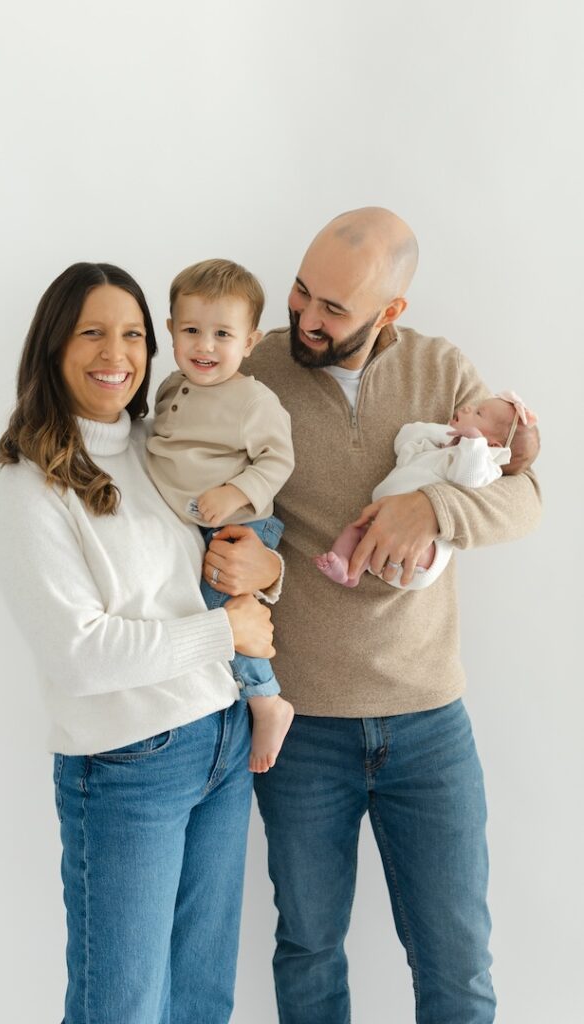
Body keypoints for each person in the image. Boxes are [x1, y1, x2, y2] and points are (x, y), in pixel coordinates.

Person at [212, 208, 542, 1023]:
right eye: (300, 293)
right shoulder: (253, 372)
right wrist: (252, 562)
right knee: (309, 950)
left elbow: (524, 498)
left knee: (456, 964)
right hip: (301, 729)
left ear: (389, 312)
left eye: (332, 310)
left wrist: (431, 507)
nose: (304, 320)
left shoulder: (440, 369)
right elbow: (200, 508)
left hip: (430, 723)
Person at [0, 262, 281, 1024]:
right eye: (92, 332)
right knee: (120, 1007)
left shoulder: (161, 445)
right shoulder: (29, 484)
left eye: (133, 334)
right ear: (53, 347)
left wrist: (266, 568)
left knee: (200, 999)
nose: (115, 352)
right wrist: (225, 631)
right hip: (128, 767)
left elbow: (223, 559)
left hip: (221, 739)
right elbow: (78, 656)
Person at [146, 258, 295, 773]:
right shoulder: (168, 389)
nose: (205, 346)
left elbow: (278, 459)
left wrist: (235, 489)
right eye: (191, 330)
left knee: (221, 609)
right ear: (170, 331)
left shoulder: (253, 400)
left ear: (249, 342)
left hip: (240, 527)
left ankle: (266, 699)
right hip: (194, 526)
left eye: (222, 334)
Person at [315, 390, 540, 590]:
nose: (469, 407)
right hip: (377, 521)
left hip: (426, 554)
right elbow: (405, 438)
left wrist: (473, 445)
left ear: (492, 447)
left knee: (397, 544)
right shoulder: (442, 447)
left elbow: (470, 479)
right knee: (356, 531)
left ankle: (375, 561)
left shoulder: (485, 466)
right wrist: (444, 434)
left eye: (479, 413)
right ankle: (347, 569)